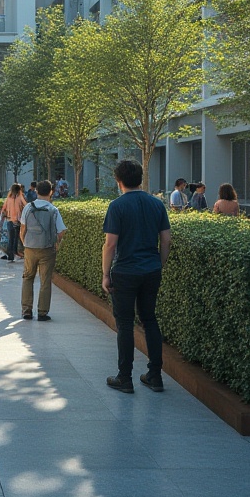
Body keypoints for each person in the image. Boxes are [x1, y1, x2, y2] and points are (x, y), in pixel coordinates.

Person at [102, 159, 171, 394]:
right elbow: (166, 239)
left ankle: (125, 378)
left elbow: (110, 245)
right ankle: (155, 375)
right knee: (149, 319)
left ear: (118, 181)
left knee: (125, 324)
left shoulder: (117, 206)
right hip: (151, 270)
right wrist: (158, 264)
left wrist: (105, 274)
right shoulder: (156, 204)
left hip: (125, 271)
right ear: (140, 178)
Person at [20, 180, 67, 320]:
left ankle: (26, 310)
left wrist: (25, 242)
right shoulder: (53, 210)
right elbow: (61, 230)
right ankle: (42, 312)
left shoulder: (28, 207)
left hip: (30, 247)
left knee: (28, 277)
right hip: (47, 248)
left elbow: (22, 228)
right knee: (45, 281)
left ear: (36, 191)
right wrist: (56, 242)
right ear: (51, 192)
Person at [0, 183, 26, 262]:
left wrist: (2, 218)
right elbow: (26, 205)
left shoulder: (8, 199)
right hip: (18, 220)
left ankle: (10, 256)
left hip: (10, 220)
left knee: (11, 238)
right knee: (16, 238)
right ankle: (14, 253)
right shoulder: (20, 197)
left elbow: (3, 208)